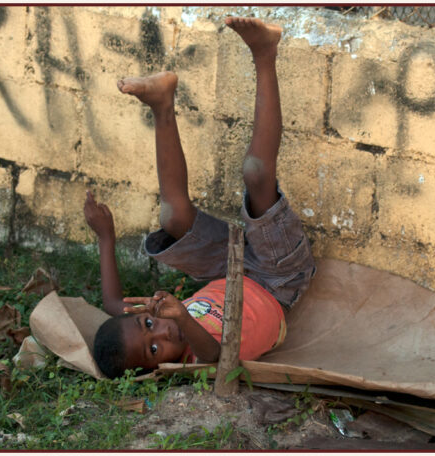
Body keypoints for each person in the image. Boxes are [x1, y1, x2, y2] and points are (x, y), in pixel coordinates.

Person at [86, 17, 316, 379]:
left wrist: (105, 237)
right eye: (154, 349)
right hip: (278, 281)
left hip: (231, 269)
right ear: (157, 368)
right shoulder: (194, 359)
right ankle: (264, 53)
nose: (163, 332)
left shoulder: (162, 317)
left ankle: (162, 104)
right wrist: (181, 316)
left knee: (173, 219)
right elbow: (216, 354)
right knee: (256, 174)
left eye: (149, 324)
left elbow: (114, 304)